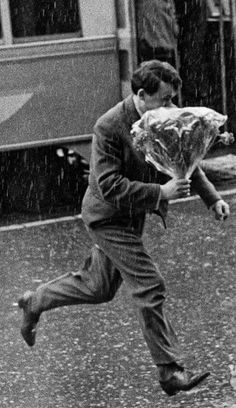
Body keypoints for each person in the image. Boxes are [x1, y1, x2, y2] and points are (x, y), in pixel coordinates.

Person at [18, 60, 230, 397]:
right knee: (150, 285)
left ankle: (35, 301)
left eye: (174, 99)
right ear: (142, 95)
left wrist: (212, 198)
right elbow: (108, 185)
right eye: (165, 100)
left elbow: (184, 159)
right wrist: (159, 192)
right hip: (107, 218)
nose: (172, 108)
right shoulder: (109, 126)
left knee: (97, 287)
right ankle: (170, 371)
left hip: (131, 216)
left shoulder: (157, 117)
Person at [136, 0, 179, 66]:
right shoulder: (167, 4)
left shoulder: (141, 3)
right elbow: (176, 31)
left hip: (147, 49)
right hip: (165, 50)